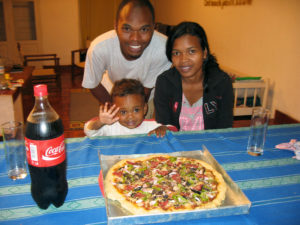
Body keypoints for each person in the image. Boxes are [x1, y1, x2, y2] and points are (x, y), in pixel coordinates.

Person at [82, 0, 171, 118]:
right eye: (127, 29)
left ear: (153, 28)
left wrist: (135, 115)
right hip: (112, 89)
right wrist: (115, 111)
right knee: (111, 129)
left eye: (144, 29)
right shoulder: (99, 48)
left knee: (140, 130)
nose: (135, 39)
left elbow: (146, 90)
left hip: (145, 94)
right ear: (115, 26)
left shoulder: (163, 49)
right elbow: (93, 83)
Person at [154, 22, 234, 131]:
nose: (183, 60)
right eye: (176, 53)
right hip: (176, 147)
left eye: (191, 51)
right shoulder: (164, 83)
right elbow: (164, 127)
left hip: (210, 146)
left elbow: (225, 129)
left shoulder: (221, 82)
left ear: (204, 53)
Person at [84, 79, 177, 137]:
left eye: (136, 110)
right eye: (123, 112)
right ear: (115, 111)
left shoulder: (152, 126)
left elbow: (174, 130)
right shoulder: (110, 127)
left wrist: (164, 128)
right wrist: (101, 122)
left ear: (145, 108)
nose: (130, 117)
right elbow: (89, 131)